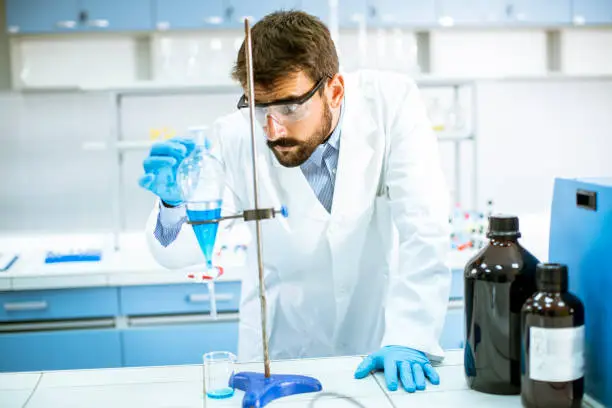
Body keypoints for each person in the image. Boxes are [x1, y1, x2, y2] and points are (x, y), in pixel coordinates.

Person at [139, 10, 451, 393]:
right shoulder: (233, 135)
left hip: (378, 347)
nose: (272, 129)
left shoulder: (391, 104)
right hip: (281, 352)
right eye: (259, 107)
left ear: (334, 91)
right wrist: (172, 205)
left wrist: (411, 335)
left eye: (289, 108)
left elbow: (425, 226)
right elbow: (180, 252)